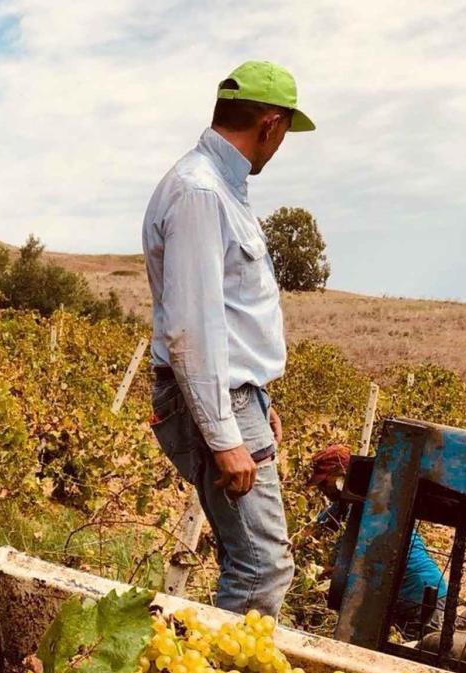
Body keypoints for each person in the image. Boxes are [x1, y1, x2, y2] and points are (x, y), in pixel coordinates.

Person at [142, 60, 314, 619]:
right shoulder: (200, 193)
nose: (282, 144)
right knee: (262, 565)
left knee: (255, 559)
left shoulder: (221, 190)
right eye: (286, 131)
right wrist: (224, 434)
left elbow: (235, 315)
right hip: (219, 399)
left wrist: (259, 404)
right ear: (269, 123)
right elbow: (193, 325)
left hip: (239, 397)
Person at [307, 444, 448, 638]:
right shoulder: (347, 500)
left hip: (421, 596)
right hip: (395, 596)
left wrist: (315, 576)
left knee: (417, 653)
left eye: (324, 483)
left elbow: (359, 560)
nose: (322, 490)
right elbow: (315, 529)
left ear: (341, 475)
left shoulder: (374, 504)